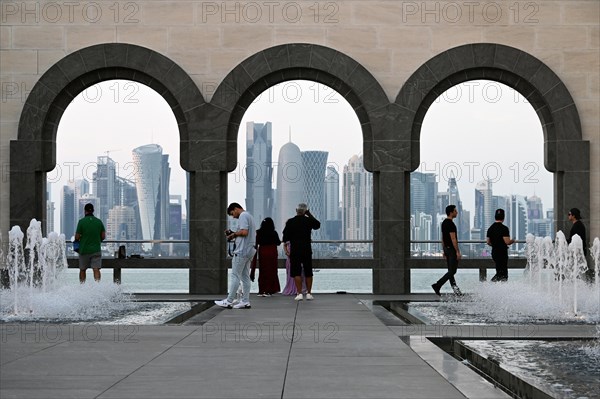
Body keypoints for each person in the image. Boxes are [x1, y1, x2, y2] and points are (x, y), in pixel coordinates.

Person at [215, 203, 256, 309]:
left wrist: (233, 235)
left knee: (235, 276)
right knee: (245, 277)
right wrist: (234, 234)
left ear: (236, 209)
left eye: (232, 213)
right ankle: (245, 301)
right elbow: (244, 234)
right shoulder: (249, 216)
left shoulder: (243, 216)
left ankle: (229, 301)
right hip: (249, 250)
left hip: (242, 251)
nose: (233, 216)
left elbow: (244, 232)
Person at [282, 203, 320, 301]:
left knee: (296, 272)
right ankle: (309, 293)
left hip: (295, 249)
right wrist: (309, 214)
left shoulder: (290, 222)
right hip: (307, 249)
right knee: (308, 271)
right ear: (305, 211)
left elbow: (285, 237)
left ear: (296, 210)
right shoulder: (308, 221)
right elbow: (317, 225)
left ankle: (299, 293)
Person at [432, 205, 462, 296]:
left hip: (446, 248)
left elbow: (443, 238)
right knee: (452, 271)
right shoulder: (451, 224)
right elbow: (453, 239)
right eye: (455, 211)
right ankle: (437, 285)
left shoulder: (444, 223)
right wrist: (457, 251)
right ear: (451, 212)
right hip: (452, 250)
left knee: (450, 271)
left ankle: (457, 291)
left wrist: (444, 250)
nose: (457, 212)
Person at [75, 203, 106, 283]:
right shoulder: (99, 222)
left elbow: (77, 237)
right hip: (96, 249)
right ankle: (97, 286)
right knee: (96, 269)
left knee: (82, 269)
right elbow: (103, 236)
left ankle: (82, 287)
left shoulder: (81, 222)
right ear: (93, 211)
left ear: (85, 211)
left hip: (84, 250)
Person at [252, 217, 281, 296]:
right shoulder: (274, 232)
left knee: (263, 270)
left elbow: (255, 243)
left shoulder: (258, 232)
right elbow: (278, 242)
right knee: (272, 271)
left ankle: (262, 290)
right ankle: (271, 289)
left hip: (263, 252)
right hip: (272, 252)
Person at [486, 208, 515, 282]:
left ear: (495, 216)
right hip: (502, 253)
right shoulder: (504, 228)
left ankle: (496, 288)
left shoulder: (490, 228)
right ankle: (491, 285)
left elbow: (488, 242)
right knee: (503, 273)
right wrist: (513, 240)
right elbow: (507, 242)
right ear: (503, 217)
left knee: (499, 271)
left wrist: (495, 244)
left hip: (494, 252)